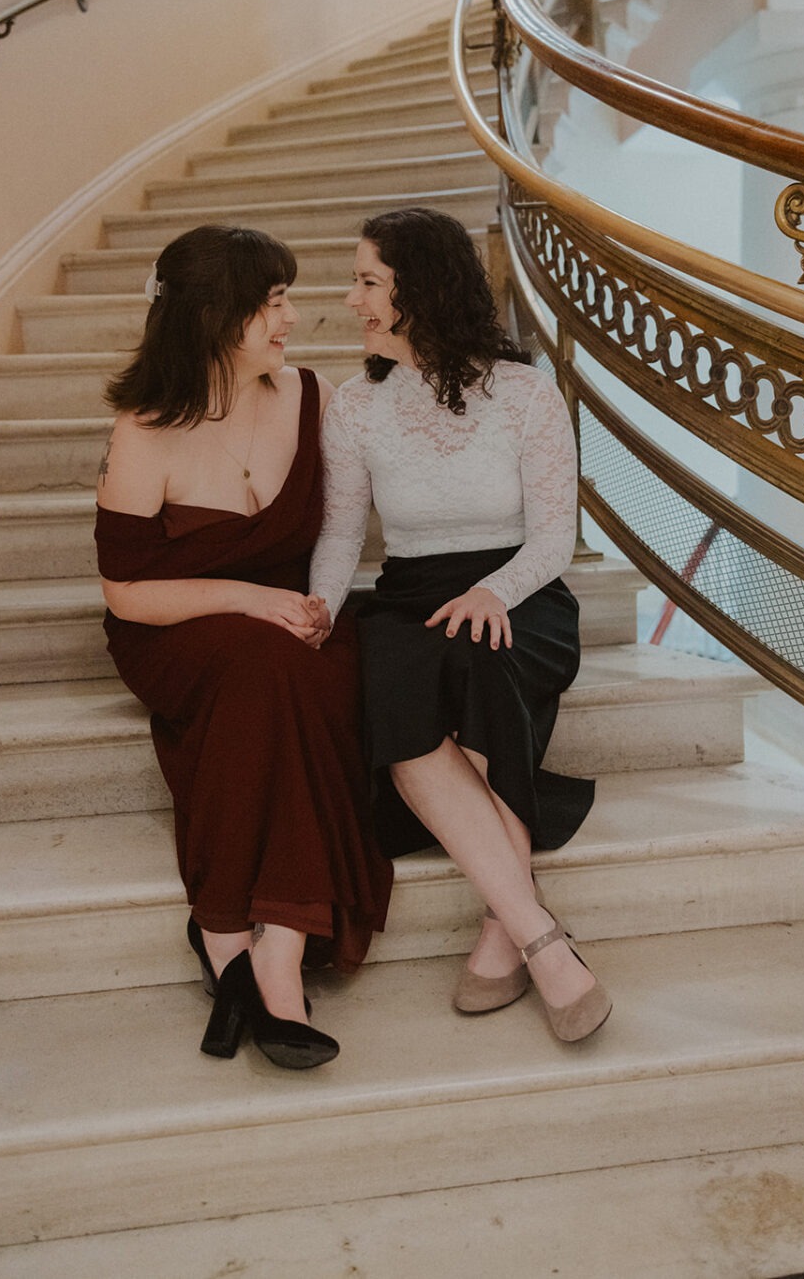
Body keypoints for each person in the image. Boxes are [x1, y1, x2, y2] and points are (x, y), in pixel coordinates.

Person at [95, 224, 392, 1069]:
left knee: (317, 669)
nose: (293, 319)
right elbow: (126, 592)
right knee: (267, 667)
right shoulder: (144, 432)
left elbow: (342, 529)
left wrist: (308, 607)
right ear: (213, 318)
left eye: (287, 299)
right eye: (272, 304)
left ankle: (238, 939)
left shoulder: (312, 396)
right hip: (176, 630)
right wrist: (252, 599)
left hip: (291, 630)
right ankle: (274, 950)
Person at [310, 207, 610, 1043]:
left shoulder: (524, 391)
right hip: (409, 595)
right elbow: (341, 534)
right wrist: (323, 608)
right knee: (405, 689)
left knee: (482, 663)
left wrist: (496, 592)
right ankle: (540, 938)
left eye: (368, 280)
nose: (351, 298)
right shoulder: (352, 405)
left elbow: (556, 537)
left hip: (520, 589)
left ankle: (502, 927)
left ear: (421, 288)